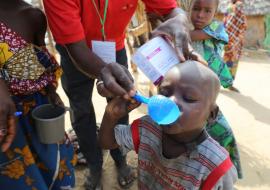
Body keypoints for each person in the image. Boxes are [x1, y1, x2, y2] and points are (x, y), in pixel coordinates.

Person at [42, 0, 204, 189]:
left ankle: (120, 160)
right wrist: (102, 70)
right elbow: (76, 47)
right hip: (75, 52)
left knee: (121, 107)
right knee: (81, 111)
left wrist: (180, 18)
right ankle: (95, 166)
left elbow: (171, 9)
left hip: (114, 48)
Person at [99, 60, 238, 189]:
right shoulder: (147, 128)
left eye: (188, 98)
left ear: (212, 114)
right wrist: (111, 115)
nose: (171, 101)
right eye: (164, 93)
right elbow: (107, 143)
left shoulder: (216, 168)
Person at [0, 0, 76, 189]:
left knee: (55, 164)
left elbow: (42, 60)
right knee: (19, 176)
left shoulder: (32, 16)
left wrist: (51, 91)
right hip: (4, 119)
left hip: (37, 109)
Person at [189, 0, 243, 179]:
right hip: (188, 95)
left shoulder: (216, 28)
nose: (200, 15)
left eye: (207, 11)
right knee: (191, 134)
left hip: (207, 95)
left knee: (223, 133)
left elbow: (192, 36)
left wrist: (173, 30)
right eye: (195, 9)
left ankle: (228, 171)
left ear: (215, 12)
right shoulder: (184, 28)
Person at [223, 0, 247, 92]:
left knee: (226, 60)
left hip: (227, 37)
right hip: (235, 39)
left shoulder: (228, 6)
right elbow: (242, 23)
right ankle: (228, 83)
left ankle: (224, 82)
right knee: (232, 62)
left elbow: (225, 23)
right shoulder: (239, 5)